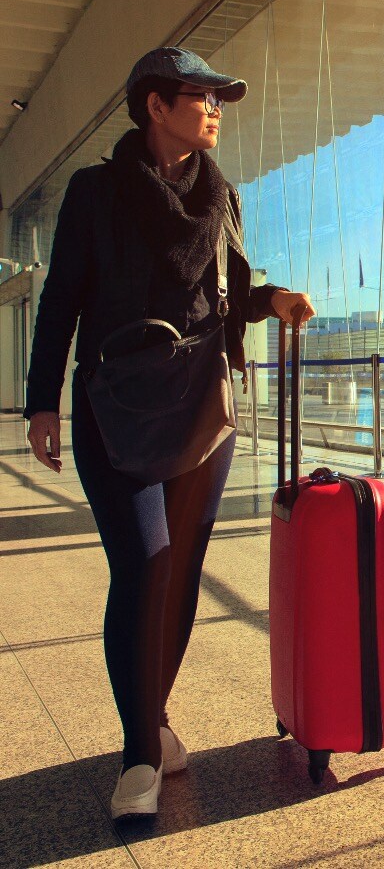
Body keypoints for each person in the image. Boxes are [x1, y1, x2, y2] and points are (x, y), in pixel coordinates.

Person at [23, 46, 316, 820]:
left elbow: (234, 287)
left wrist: (275, 298)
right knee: (146, 563)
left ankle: (149, 720)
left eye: (222, 98)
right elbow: (60, 301)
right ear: (156, 105)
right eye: (202, 94)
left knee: (182, 570)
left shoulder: (222, 196)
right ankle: (139, 759)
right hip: (114, 404)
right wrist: (40, 402)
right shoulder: (95, 192)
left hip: (200, 408)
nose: (217, 107)